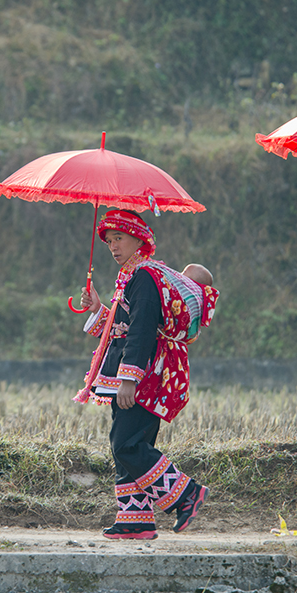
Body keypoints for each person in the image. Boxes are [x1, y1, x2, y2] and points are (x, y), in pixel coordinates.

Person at [77, 210, 219, 540]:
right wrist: (98, 308)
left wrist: (129, 379)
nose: (113, 246)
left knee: (126, 445)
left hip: (142, 377)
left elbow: (140, 332)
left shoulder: (144, 276)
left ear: (141, 240)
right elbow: (118, 330)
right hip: (135, 374)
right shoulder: (131, 276)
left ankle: (187, 494)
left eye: (120, 239)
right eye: (110, 241)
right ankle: (135, 519)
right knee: (129, 445)